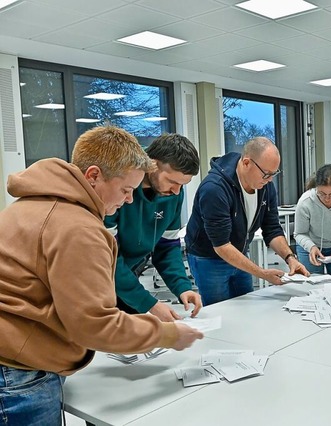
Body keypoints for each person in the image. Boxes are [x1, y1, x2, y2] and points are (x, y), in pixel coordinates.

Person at [0, 126, 203, 424]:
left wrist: (180, 287)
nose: (130, 201)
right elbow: (94, 325)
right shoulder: (79, 228)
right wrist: (168, 334)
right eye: (125, 191)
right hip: (20, 373)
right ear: (93, 176)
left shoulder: (26, 206)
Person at [186, 137, 309, 305]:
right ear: (246, 163)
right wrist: (261, 273)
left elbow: (272, 228)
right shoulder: (215, 188)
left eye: (274, 174)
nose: (270, 179)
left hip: (240, 253)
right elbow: (221, 245)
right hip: (209, 258)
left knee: (246, 307)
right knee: (220, 311)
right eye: (266, 173)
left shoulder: (265, 186)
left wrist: (290, 258)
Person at [105, 133, 203, 322]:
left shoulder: (173, 195)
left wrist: (182, 287)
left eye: (182, 185)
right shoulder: (119, 191)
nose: (176, 191)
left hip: (129, 274)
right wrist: (149, 303)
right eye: (172, 182)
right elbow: (109, 259)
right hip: (102, 275)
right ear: (152, 164)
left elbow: (167, 247)